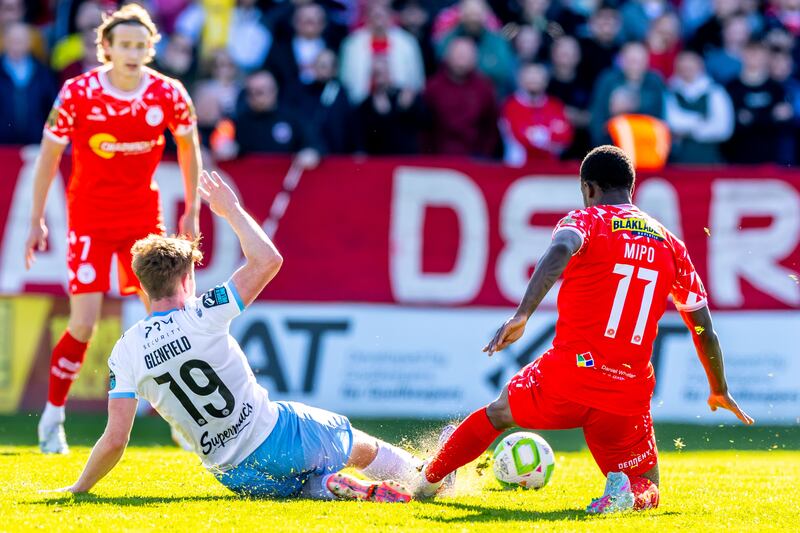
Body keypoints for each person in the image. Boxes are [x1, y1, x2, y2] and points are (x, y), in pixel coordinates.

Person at [413, 145, 754, 514]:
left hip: (570, 375)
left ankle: (428, 482)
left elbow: (562, 247)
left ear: (588, 189)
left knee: (497, 414)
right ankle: (625, 491)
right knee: (648, 486)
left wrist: (523, 313)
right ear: (631, 187)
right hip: (627, 392)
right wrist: (719, 388)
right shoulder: (671, 244)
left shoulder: (588, 221)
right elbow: (703, 325)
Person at [51, 170, 423, 503]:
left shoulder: (124, 351)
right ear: (186, 280)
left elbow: (115, 439)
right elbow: (268, 260)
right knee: (356, 444)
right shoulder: (202, 313)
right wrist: (230, 209)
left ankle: (328, 487)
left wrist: (79, 487)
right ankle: (429, 479)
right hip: (278, 437)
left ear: (142, 285)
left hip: (236, 476)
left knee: (300, 484)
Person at [25, 4, 203, 454]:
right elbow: (47, 158)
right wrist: (35, 218)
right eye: (124, 44)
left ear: (151, 48)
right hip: (89, 219)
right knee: (83, 323)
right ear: (104, 47)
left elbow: (189, 148)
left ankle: (181, 421)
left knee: (169, 322)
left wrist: (193, 212)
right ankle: (53, 417)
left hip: (145, 220)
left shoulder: (168, 93)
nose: (133, 52)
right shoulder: (77, 92)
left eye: (141, 45)